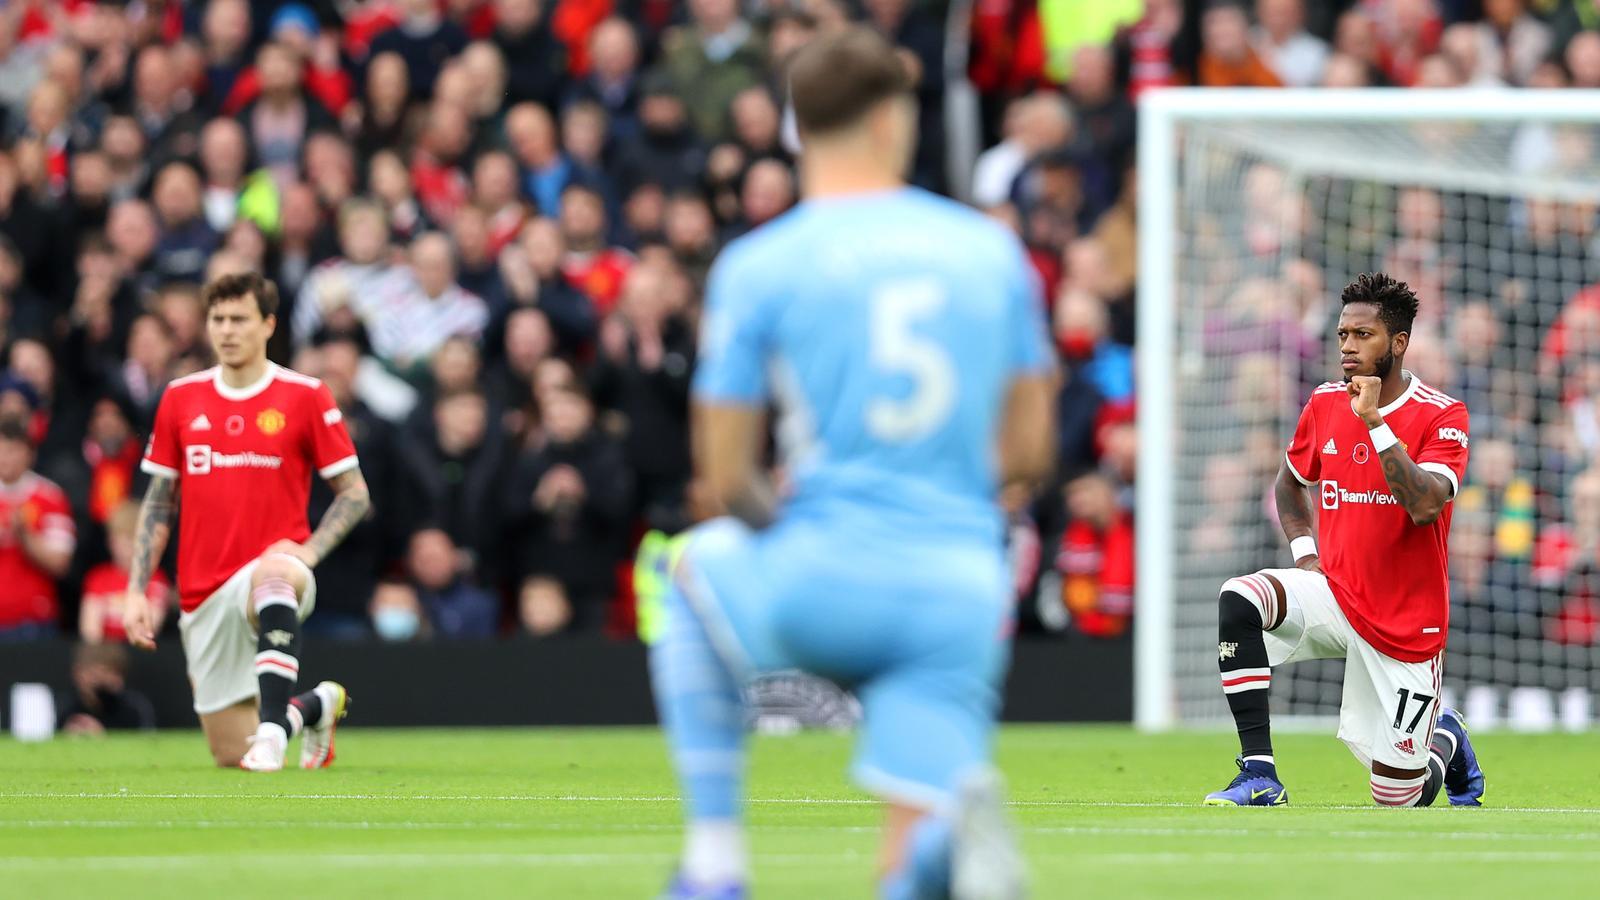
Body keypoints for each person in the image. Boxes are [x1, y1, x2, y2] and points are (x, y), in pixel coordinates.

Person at [650, 27, 1055, 900]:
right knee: (902, 860)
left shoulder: (760, 264)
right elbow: (1030, 450)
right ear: (889, 121)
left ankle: (715, 861)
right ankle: (935, 854)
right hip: (957, 582)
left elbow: (725, 475)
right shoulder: (991, 252)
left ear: (798, 127)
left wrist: (792, 526)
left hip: (823, 572)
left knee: (689, 573)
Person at [1205, 273, 1485, 808]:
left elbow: (1425, 505)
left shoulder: (1442, 413)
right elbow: (1290, 483)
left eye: (1363, 335)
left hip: (1405, 622)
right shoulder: (1325, 402)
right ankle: (1260, 775)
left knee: (1399, 796)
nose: (1348, 347)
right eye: (1342, 336)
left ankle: (1445, 739)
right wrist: (1305, 555)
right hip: (1335, 594)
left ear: (1398, 343)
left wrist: (1375, 421)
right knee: (1239, 597)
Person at [124, 272, 370, 772]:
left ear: (268, 325)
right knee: (232, 755)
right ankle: (315, 707)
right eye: (218, 319)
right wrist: (136, 589)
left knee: (276, 574)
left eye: (240, 319)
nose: (227, 330)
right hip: (202, 589)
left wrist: (312, 551)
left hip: (274, 569)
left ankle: (275, 733)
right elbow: (158, 503)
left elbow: (355, 494)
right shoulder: (180, 398)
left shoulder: (305, 395)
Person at [0, 418, 75, 641]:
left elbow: (61, 563)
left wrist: (24, 535)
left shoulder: (50, 497)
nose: (5, 457)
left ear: (30, 454)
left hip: (33, 622)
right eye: (1, 449)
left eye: (13, 450)